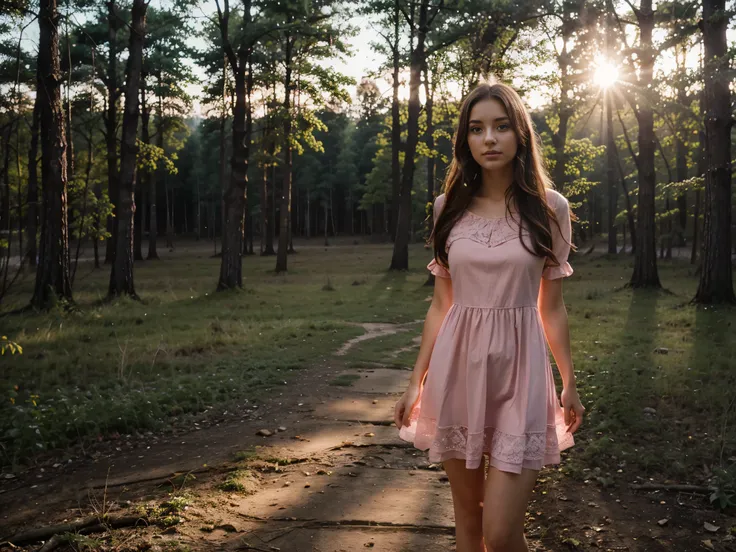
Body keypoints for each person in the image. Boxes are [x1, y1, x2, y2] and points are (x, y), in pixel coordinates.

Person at [393, 80, 585, 552]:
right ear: (466, 141)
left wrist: (569, 382)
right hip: (457, 371)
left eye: (501, 127)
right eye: (477, 129)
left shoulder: (549, 208)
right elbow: (442, 303)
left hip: (521, 376)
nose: (490, 139)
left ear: (520, 133)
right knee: (467, 522)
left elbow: (552, 307)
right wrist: (416, 380)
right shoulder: (448, 209)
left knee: (500, 533)